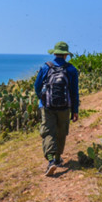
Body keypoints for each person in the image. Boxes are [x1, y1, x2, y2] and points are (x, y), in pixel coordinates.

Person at [34, 41, 80, 176]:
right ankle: (58, 158)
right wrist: (75, 110)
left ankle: (50, 161)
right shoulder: (71, 69)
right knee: (61, 132)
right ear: (66, 55)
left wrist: (42, 98)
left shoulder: (46, 67)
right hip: (65, 107)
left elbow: (37, 86)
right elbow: (74, 92)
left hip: (47, 106)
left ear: (54, 53)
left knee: (48, 132)